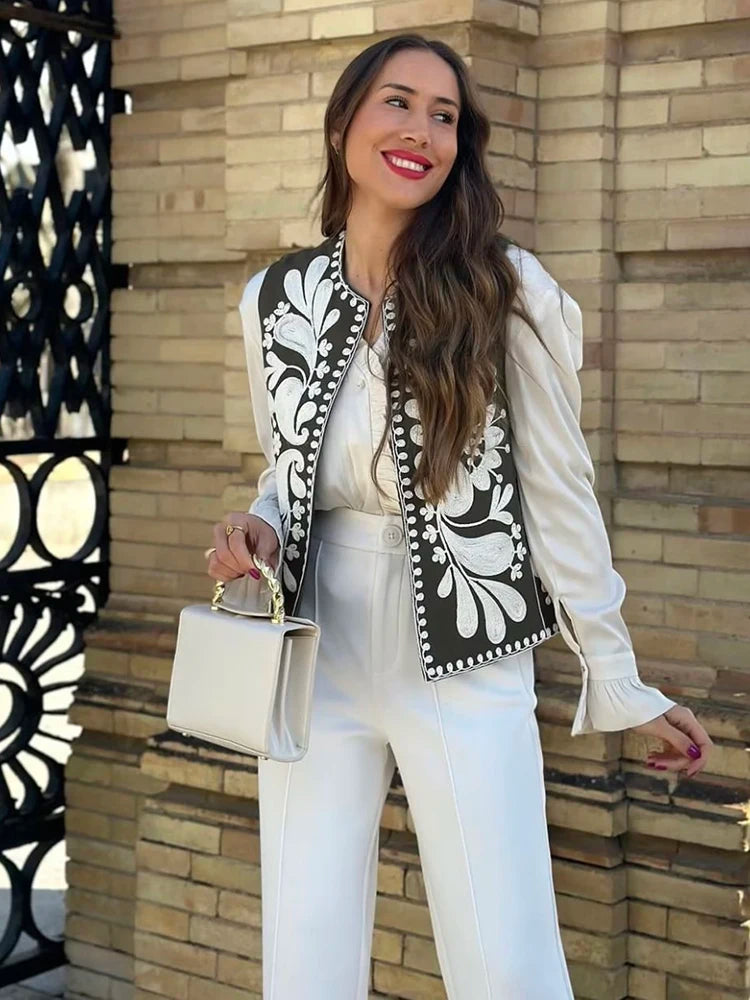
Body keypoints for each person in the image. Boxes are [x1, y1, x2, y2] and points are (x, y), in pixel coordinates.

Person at [206, 33, 713, 1000]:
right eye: (398, 103)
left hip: (466, 641)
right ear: (345, 123)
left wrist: (618, 675)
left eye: (444, 117)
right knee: (303, 946)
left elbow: (558, 495)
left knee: (504, 954)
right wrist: (260, 522)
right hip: (313, 639)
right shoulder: (274, 296)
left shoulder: (503, 287)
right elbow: (288, 467)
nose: (422, 132)